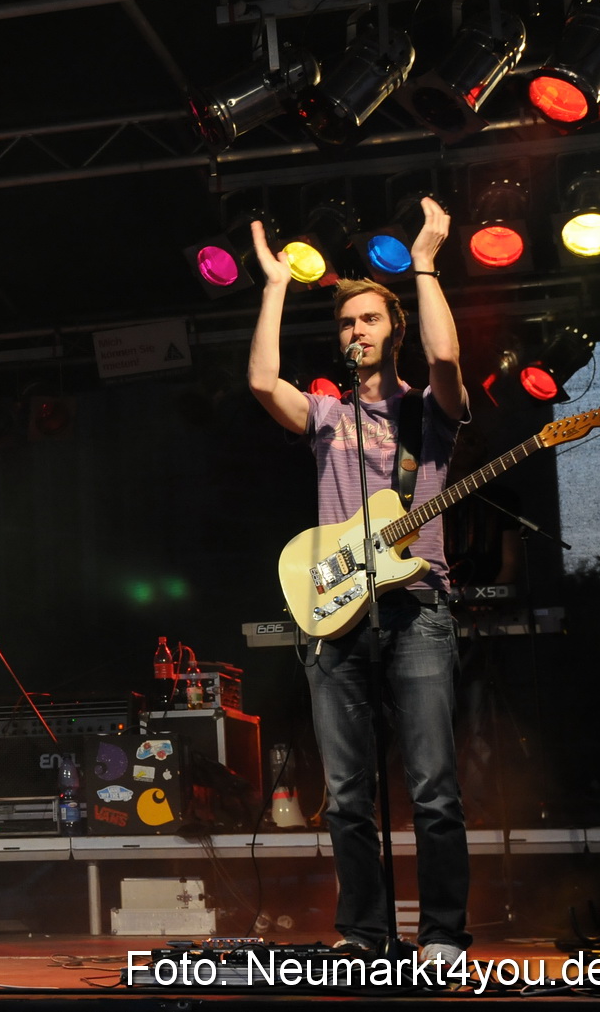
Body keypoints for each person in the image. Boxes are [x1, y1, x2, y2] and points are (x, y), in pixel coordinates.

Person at [246, 198, 471, 966]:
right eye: (345, 323)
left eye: (369, 320)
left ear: (392, 330)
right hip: (333, 613)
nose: (355, 332)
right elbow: (258, 381)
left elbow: (446, 361)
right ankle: (366, 932)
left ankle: (439, 932)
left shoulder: (427, 414)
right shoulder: (324, 414)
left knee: (433, 787)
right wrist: (275, 284)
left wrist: (424, 263)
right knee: (347, 794)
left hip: (414, 609)